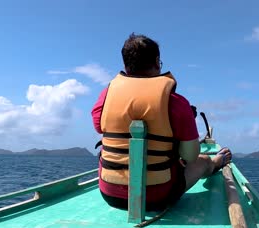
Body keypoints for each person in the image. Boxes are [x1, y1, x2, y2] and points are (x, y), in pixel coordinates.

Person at [91, 33, 232, 210]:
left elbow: (98, 126)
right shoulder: (176, 102)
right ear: (157, 61)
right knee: (203, 161)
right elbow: (189, 157)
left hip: (110, 194)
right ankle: (216, 162)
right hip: (158, 196)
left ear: (126, 65)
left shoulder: (106, 97)